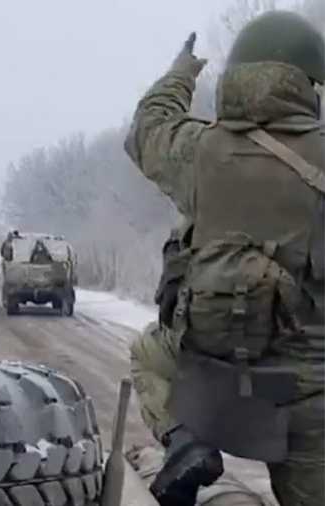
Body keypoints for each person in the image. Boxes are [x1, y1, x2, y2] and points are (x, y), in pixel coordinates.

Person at [125, 11, 324, 506]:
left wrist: (180, 74)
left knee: (149, 352)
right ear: (309, 83)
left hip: (211, 376)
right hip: (311, 396)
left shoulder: (199, 150)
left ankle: (185, 441)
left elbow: (147, 128)